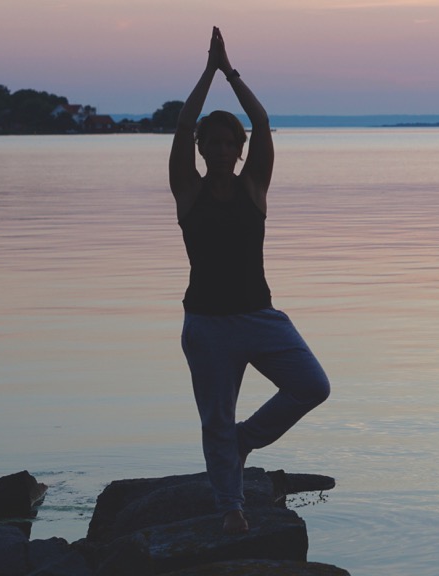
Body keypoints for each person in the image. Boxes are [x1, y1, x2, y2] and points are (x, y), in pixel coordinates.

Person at [168, 27, 330, 534]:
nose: (219, 149)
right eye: (211, 142)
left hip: (260, 317)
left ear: (239, 150)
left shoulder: (254, 187)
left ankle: (246, 440)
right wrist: (205, 72)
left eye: (227, 143)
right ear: (201, 148)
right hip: (208, 326)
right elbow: (181, 125)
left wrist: (228, 70)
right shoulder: (188, 191)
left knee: (312, 385)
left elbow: (261, 121)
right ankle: (230, 509)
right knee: (215, 419)